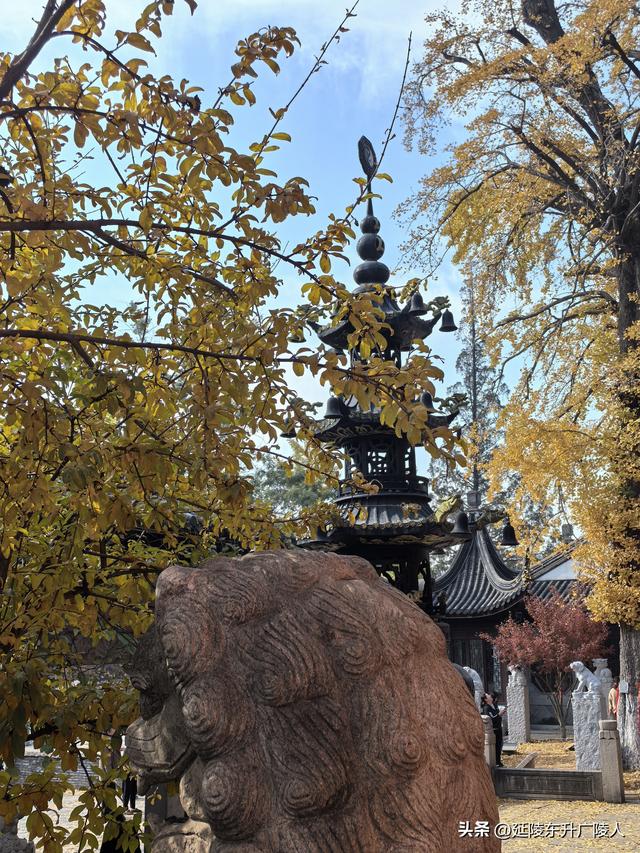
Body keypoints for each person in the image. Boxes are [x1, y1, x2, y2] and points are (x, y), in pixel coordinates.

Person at [481, 692, 506, 766]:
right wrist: (499, 714)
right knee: (494, 746)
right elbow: (491, 718)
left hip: (499, 728)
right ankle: (495, 762)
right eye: (487, 695)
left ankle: (498, 761)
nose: (489, 695)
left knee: (499, 745)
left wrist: (500, 714)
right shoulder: (486, 708)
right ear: (486, 699)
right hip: (493, 730)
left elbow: (497, 716)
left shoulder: (494, 705)